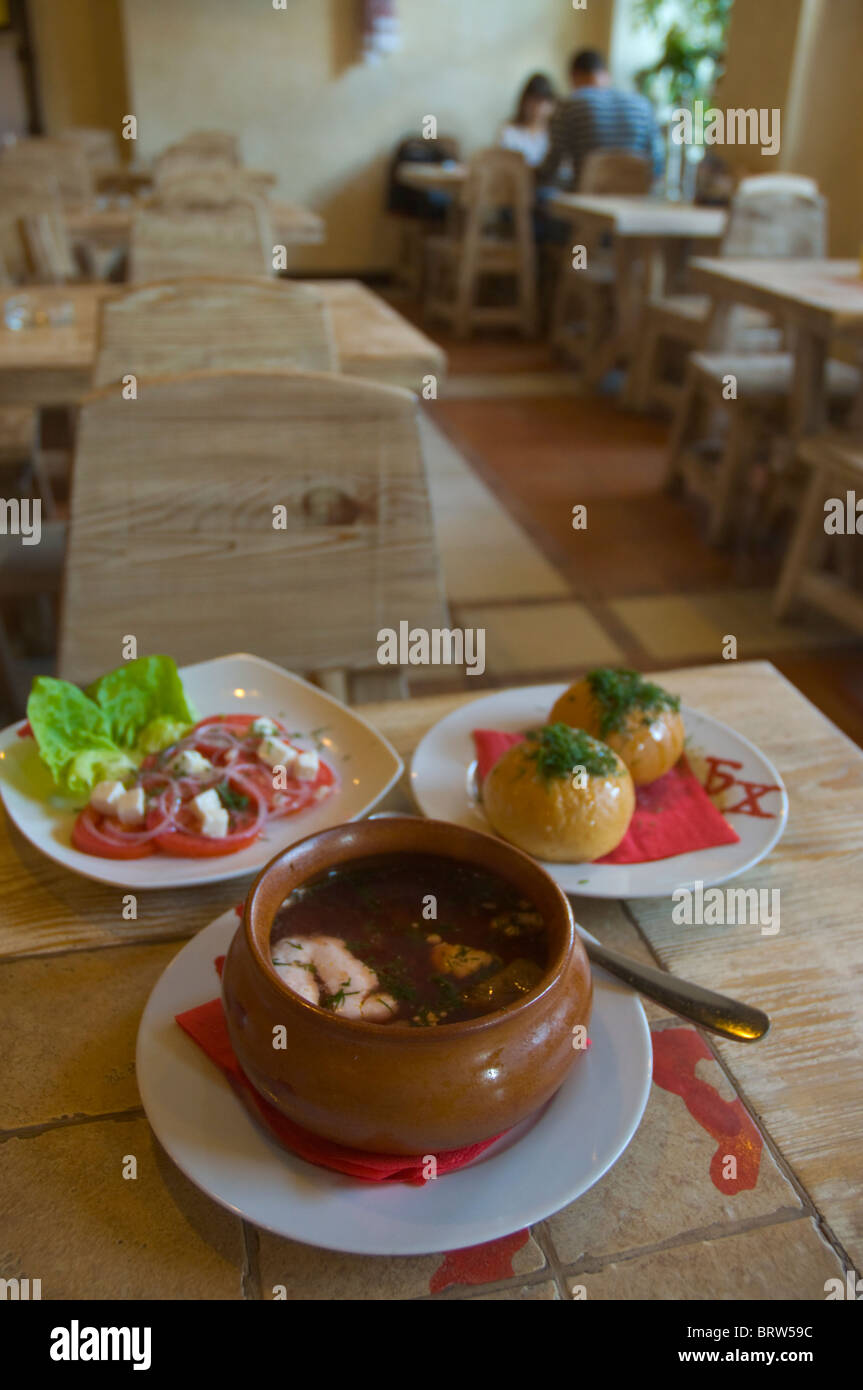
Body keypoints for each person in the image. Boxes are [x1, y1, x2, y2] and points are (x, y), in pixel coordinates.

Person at [537, 49, 664, 189]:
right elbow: (657, 163)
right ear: (606, 74)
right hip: (637, 199)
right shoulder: (642, 105)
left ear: (574, 76)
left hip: (587, 199)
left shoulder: (570, 105)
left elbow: (551, 167)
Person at [499, 73, 557, 168]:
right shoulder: (509, 131)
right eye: (533, 101)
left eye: (542, 102)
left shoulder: (556, 134)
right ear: (523, 102)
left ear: (552, 105)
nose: (537, 108)